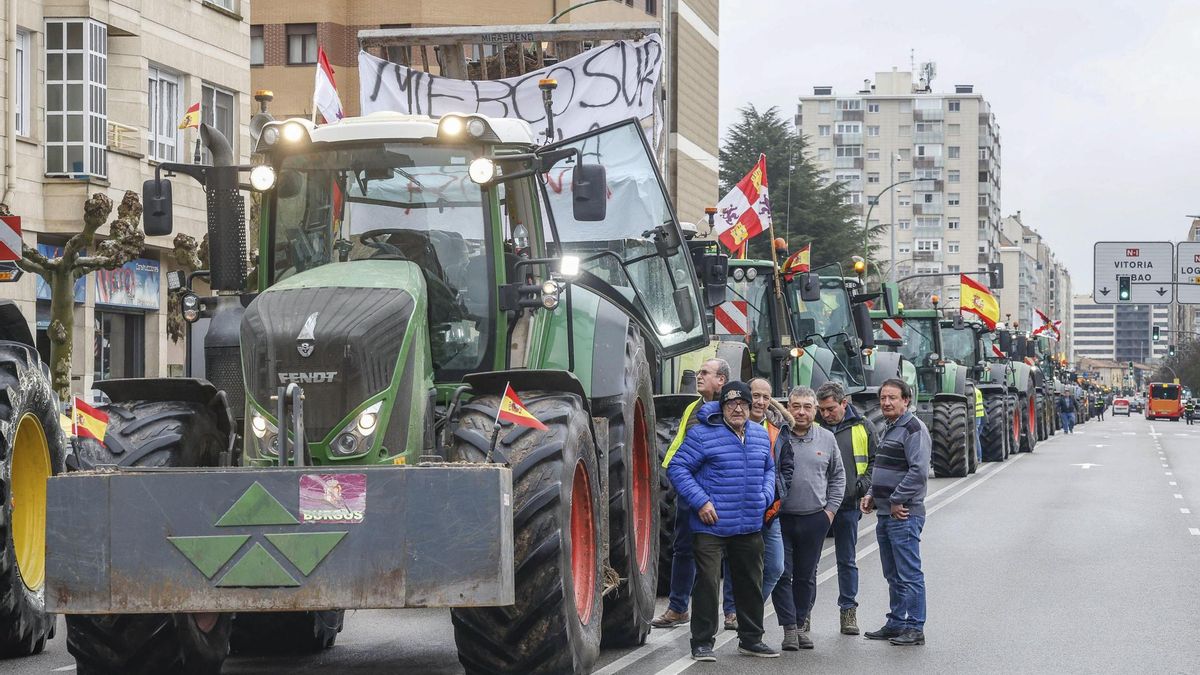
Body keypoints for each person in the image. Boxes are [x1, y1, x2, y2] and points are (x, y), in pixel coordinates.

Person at [668, 381, 779, 661]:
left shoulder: (759, 434)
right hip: (711, 526)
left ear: (750, 407)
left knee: (750, 583)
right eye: (731, 404)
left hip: (748, 523)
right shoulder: (702, 434)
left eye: (742, 403)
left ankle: (751, 639)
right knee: (707, 584)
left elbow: (769, 468)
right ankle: (702, 643)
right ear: (722, 407)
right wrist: (700, 501)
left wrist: (766, 495)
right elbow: (677, 468)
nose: (737, 408)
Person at [653, 358, 731, 628]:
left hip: (720, 492)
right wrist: (671, 478)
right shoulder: (692, 408)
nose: (699, 376)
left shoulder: (731, 408)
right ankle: (677, 608)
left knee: (728, 552)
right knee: (683, 549)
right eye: (699, 372)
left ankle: (731, 611)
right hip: (690, 491)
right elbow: (678, 446)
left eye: (705, 373)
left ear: (721, 380)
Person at [770, 386, 845, 651]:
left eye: (807, 407)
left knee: (806, 576)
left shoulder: (827, 438)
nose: (801, 412)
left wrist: (829, 512)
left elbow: (838, 476)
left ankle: (801, 624)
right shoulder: (777, 435)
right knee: (781, 573)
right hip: (781, 519)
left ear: (815, 410)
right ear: (787, 408)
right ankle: (789, 628)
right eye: (796, 406)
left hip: (814, 519)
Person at [719, 378, 795, 631]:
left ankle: (749, 608)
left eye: (766, 396)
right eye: (756, 395)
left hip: (770, 510)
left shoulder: (778, 429)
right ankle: (733, 612)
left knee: (775, 566)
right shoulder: (727, 427)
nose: (761, 402)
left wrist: (775, 495)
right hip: (738, 510)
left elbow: (786, 467)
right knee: (736, 564)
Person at [861, 378, 930, 647]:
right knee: (893, 573)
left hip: (904, 514)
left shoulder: (913, 428)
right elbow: (884, 468)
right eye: (883, 398)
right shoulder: (891, 428)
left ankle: (915, 627)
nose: (886, 403)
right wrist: (871, 494)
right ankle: (897, 622)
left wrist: (896, 499)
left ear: (906, 400)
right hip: (886, 512)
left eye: (892, 398)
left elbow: (918, 472)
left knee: (909, 574)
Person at [809, 381, 877, 637]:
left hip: (848, 505)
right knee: (809, 563)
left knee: (846, 561)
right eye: (822, 409)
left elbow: (875, 460)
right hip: (816, 507)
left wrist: (863, 486)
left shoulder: (863, 426)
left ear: (844, 403)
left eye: (831, 409)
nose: (826, 414)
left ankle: (848, 612)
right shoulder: (813, 427)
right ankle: (803, 614)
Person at [973, 387, 985, 465]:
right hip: (979, 415)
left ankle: (978, 457)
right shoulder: (977, 391)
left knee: (975, 436)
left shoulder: (974, 391)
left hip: (976, 415)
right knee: (976, 436)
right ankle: (978, 457)